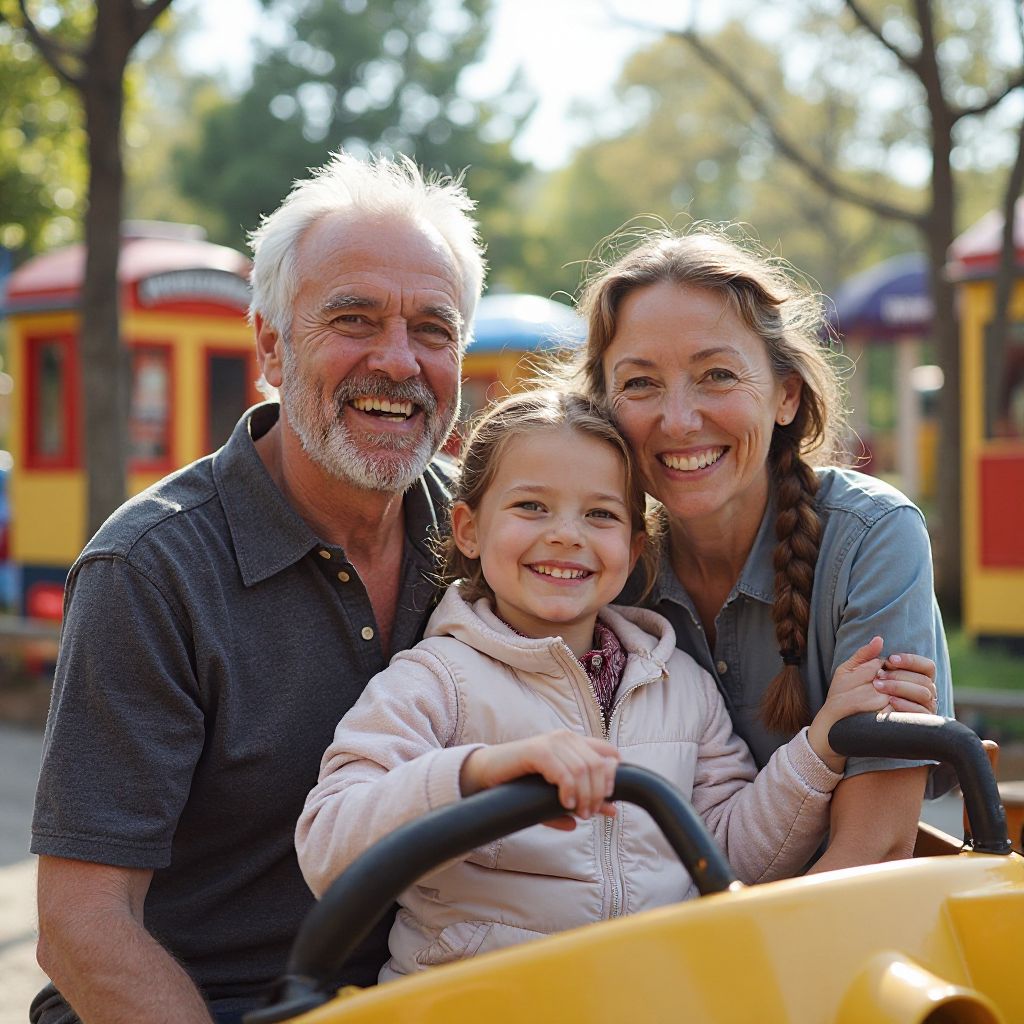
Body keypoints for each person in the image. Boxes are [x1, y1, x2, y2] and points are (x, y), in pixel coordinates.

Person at [30, 152, 485, 1024]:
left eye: (433, 329)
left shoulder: (493, 538)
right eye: (353, 318)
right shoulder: (152, 569)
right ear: (272, 346)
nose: (398, 361)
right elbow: (83, 925)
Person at [295, 389, 936, 980]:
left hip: (649, 996)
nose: (566, 534)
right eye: (530, 506)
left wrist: (820, 747)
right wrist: (478, 772)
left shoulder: (675, 682)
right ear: (468, 529)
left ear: (632, 550)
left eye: (599, 514)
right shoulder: (435, 681)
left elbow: (730, 855)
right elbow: (328, 848)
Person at [570, 224, 952, 872]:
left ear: (786, 393)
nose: (680, 419)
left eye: (716, 374)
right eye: (640, 384)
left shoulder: (870, 539)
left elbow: (873, 847)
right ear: (602, 407)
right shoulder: (594, 566)